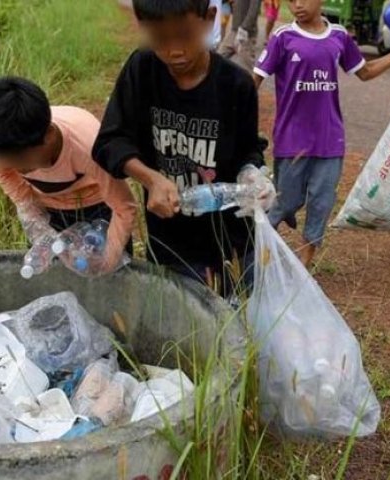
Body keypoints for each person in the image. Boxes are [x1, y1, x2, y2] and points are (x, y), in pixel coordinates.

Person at [93, 0, 272, 296]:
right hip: (170, 241)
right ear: (142, 25)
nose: (174, 51)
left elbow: (248, 150)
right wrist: (151, 178)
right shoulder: (142, 70)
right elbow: (110, 141)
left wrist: (252, 175)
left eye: (185, 35)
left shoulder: (235, 84)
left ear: (209, 18)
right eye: (160, 39)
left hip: (230, 244)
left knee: (230, 319)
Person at [253, 0, 390, 266]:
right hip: (292, 140)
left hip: (330, 138)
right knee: (285, 202)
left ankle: (304, 267)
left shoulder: (339, 37)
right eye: (291, 1)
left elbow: (365, 72)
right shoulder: (283, 37)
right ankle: (257, 261)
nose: (297, 5)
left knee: (321, 203)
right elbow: (254, 80)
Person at [0, 76, 137, 275]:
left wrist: (107, 261)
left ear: (48, 137)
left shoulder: (90, 148)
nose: (18, 170)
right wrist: (32, 216)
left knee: (110, 277)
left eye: (22, 162)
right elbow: (7, 177)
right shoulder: (2, 146)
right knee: (51, 273)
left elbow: (124, 208)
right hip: (47, 208)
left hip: (99, 209)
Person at [217, 0, 262, 64]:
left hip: (247, 34)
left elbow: (254, 10)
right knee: (219, 57)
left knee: (247, 65)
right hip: (234, 30)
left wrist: (244, 28)